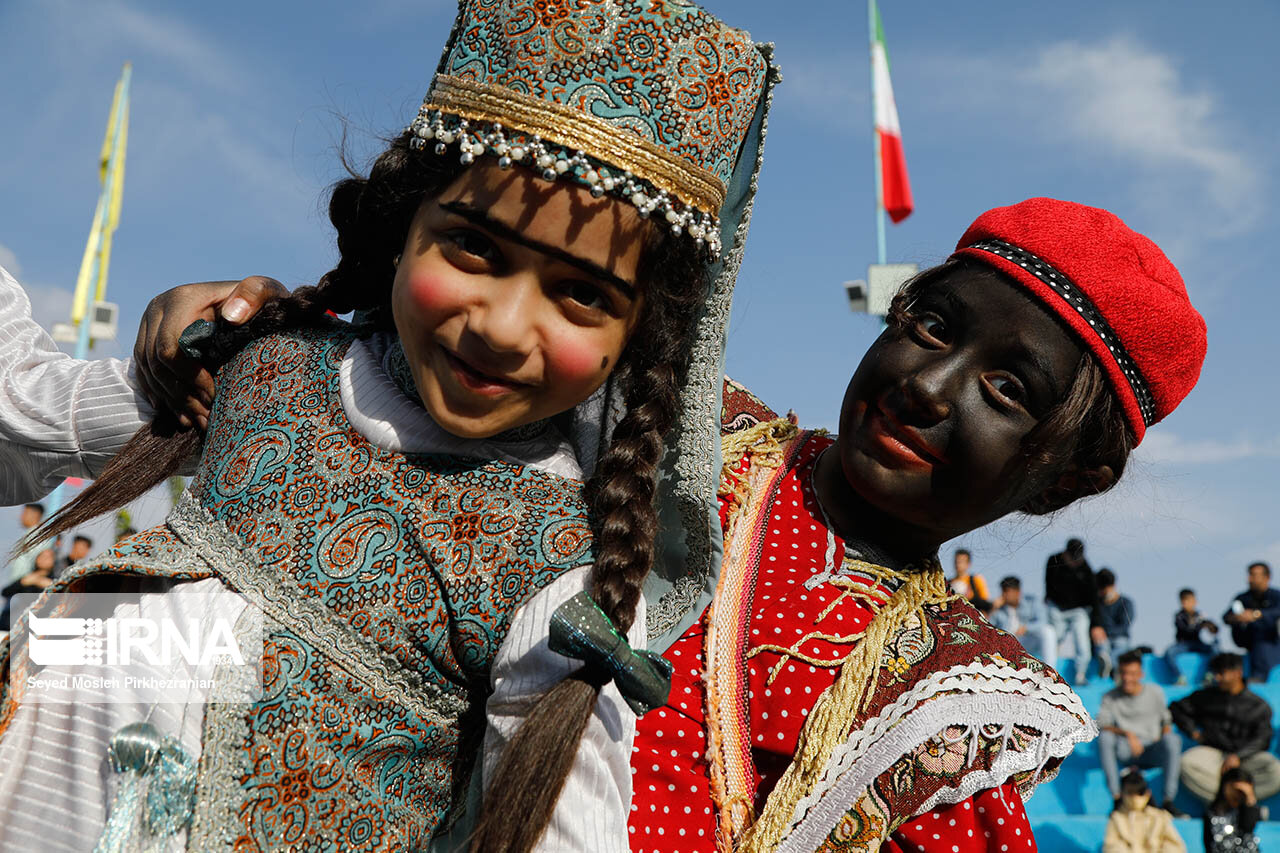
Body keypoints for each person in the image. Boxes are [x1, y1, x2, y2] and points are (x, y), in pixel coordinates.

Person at [0, 3, 777, 851]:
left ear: (641, 344)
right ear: (400, 229)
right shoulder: (270, 366)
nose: (503, 326)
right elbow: (27, 415)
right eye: (474, 247)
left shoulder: (551, 568)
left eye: (582, 294)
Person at [623, 196, 1206, 851]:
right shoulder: (677, 427)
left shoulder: (957, 703)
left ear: (1066, 480)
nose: (929, 385)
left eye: (1007, 389)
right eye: (931, 325)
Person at [1170, 652, 1280, 804]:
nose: (1217, 678)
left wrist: (1238, 756)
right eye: (1216, 673)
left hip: (1246, 759)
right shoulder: (1206, 696)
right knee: (1187, 764)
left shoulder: (1258, 705)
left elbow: (1262, 739)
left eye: (1222, 673)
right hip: (1214, 756)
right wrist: (1193, 732)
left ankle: (1243, 799)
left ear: (1238, 673)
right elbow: (1176, 708)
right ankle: (1223, 800)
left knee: (1276, 771)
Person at [1097, 650, 1185, 815]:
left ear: (1141, 674)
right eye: (1123, 673)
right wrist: (1128, 734)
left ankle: (1168, 801)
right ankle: (1117, 799)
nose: (1127, 678)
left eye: (1132, 673)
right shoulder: (1109, 696)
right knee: (1105, 738)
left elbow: (1166, 722)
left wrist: (1164, 736)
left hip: (1153, 749)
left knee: (1173, 740)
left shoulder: (1155, 692)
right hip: (1126, 749)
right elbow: (1102, 724)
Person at [1045, 537, 1101, 683]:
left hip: (1078, 611)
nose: (1075, 563)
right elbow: (1048, 582)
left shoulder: (1086, 570)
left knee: (1082, 640)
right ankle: (1049, 671)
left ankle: (1081, 674)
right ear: (1065, 554)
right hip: (1057, 608)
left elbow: (1095, 600)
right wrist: (1049, 598)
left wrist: (1096, 624)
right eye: (1072, 559)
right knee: (1054, 637)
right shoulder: (1054, 560)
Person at [1103, 770, 1186, 853]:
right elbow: (1110, 846)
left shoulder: (1159, 817)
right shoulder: (1117, 818)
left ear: (1148, 794)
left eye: (1140, 793)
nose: (1135, 798)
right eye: (1130, 793)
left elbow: (1176, 846)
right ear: (1122, 794)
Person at [1223, 561, 1280, 682]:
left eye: (1254, 575)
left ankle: (1259, 678)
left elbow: (1277, 612)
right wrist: (1238, 617)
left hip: (1271, 642)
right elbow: (1226, 617)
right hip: (1247, 641)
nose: (1249, 579)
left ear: (1267, 577)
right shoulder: (1243, 598)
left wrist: (1256, 615)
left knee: (1262, 646)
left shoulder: (1276, 596)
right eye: (1249, 575)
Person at [990, 574, 1057, 661]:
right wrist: (992, 609)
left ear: (1017, 592)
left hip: (1026, 641)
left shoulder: (1031, 601)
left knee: (1048, 631)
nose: (1004, 595)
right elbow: (988, 629)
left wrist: (1026, 628)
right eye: (1003, 591)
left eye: (1007, 591)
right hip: (1007, 646)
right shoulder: (999, 610)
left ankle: (1051, 671)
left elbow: (1043, 621)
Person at [1163, 588, 1218, 683]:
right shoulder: (1179, 615)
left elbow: (1215, 630)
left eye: (1189, 600)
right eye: (1183, 601)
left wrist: (1209, 626)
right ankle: (1179, 677)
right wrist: (1198, 625)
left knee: (1215, 647)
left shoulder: (1200, 615)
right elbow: (1185, 629)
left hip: (1197, 643)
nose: (1186, 603)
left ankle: (1209, 674)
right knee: (1170, 652)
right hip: (1183, 644)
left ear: (1194, 601)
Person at [1203, 767, 1261, 853]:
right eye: (1236, 789)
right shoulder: (1211, 814)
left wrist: (1249, 797)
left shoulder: (1246, 812)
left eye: (1242, 792)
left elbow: (1247, 828)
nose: (1238, 795)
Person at [1097, 567, 1136, 678]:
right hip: (1103, 639)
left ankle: (1110, 666)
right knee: (1101, 646)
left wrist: (1106, 632)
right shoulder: (1097, 604)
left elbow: (1125, 626)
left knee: (1120, 646)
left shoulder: (1126, 603)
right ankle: (1109, 665)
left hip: (1120, 637)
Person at [2, 504, 45, 589]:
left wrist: (29, 580)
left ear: (35, 514)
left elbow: (40, 563)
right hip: (18, 584)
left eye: (25, 513)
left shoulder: (37, 536)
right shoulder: (30, 534)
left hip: (25, 586)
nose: (21, 516)